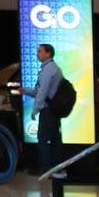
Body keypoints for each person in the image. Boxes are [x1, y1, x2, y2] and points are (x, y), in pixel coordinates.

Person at [31, 44, 66, 176]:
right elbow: (39, 90)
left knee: (43, 139)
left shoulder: (48, 69)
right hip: (54, 110)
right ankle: (56, 168)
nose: (37, 54)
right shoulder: (52, 68)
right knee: (55, 139)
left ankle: (46, 168)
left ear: (48, 53)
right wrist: (26, 91)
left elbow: (43, 92)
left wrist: (35, 109)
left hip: (48, 110)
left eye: (40, 51)